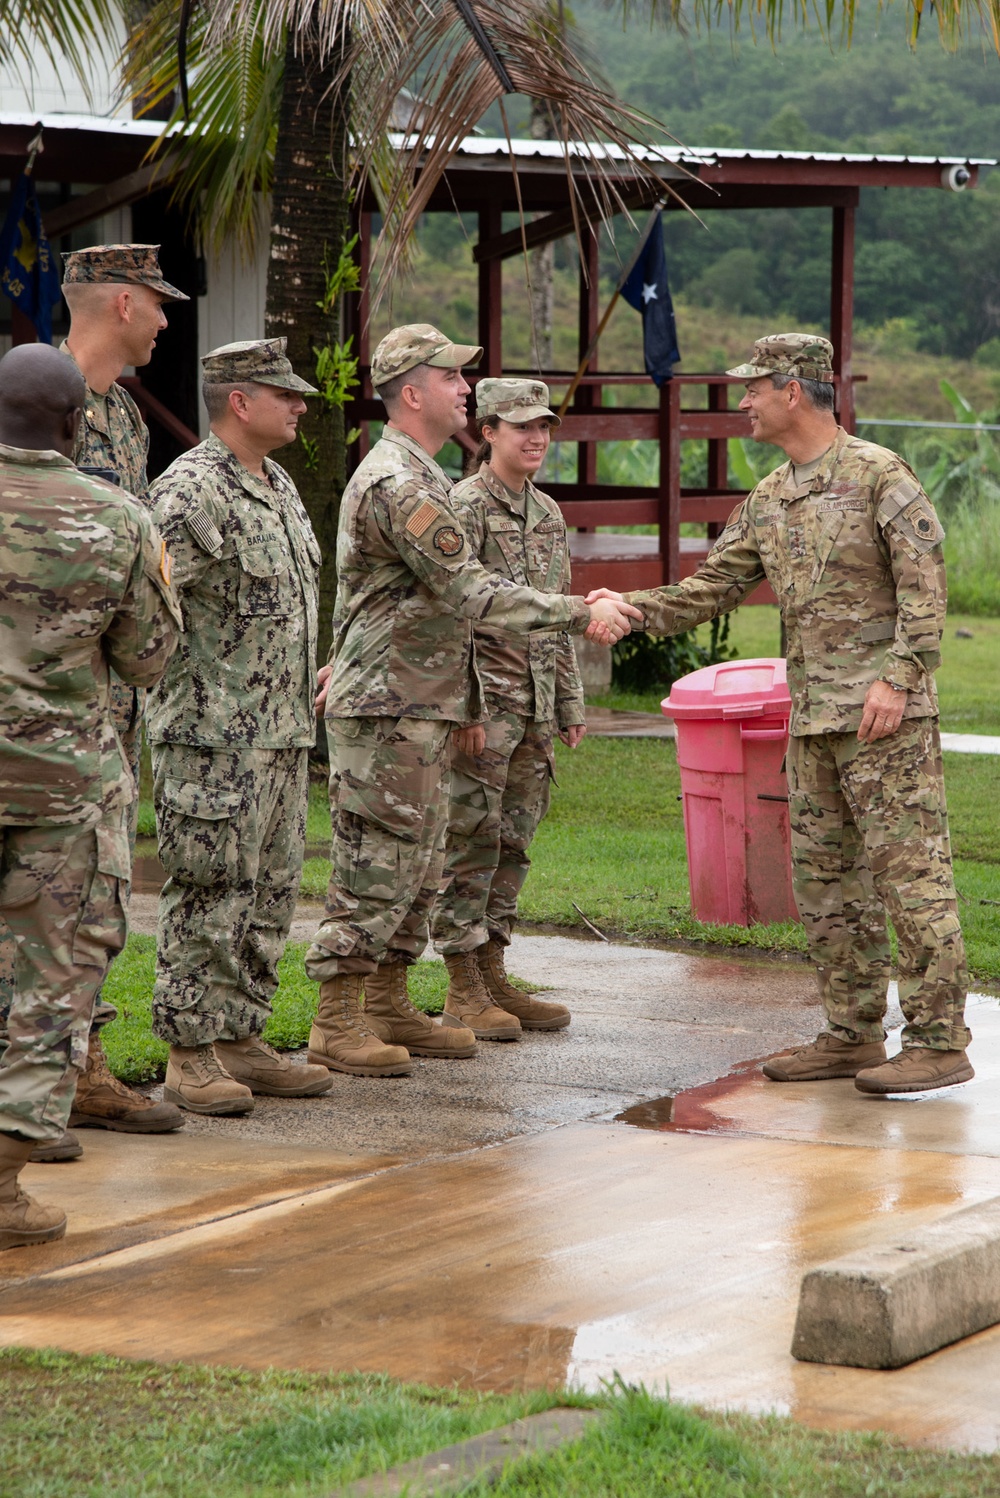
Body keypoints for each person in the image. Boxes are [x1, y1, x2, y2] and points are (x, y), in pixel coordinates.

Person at [590, 333, 971, 1095]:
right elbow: (713, 587)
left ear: (792, 389)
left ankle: (938, 1039)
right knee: (829, 884)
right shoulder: (771, 498)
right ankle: (852, 1033)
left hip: (882, 721)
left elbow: (926, 592)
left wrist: (897, 680)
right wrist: (632, 610)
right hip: (813, 723)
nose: (743, 404)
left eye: (753, 389)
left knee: (911, 878)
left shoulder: (877, 477)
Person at [305, 323, 640, 1077]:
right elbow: (470, 590)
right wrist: (578, 609)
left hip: (417, 699)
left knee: (419, 862)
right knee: (374, 865)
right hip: (392, 703)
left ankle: (389, 1003)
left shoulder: (419, 476)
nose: (465, 387)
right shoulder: (401, 483)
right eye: (453, 378)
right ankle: (336, 1020)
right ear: (413, 391)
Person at [0, 243, 190, 1158]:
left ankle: (81, 1066)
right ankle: (60, 1075)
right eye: (157, 303)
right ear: (122, 302)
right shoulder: (48, 399)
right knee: (59, 917)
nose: (165, 319)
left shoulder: (121, 415)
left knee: (83, 911)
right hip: (57, 725)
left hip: (96, 715)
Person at [147, 338, 333, 1115]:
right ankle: (189, 1054)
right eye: (283, 393)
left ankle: (241, 1035)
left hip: (281, 734)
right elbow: (148, 606)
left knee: (269, 893)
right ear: (239, 401)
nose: (299, 406)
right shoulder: (190, 493)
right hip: (210, 739)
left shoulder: (278, 483)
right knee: (208, 893)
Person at [431, 379, 584, 1035]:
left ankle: (493, 972)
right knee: (470, 840)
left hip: (536, 710)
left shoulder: (547, 513)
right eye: (521, 426)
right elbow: (446, 617)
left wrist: (570, 703)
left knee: (513, 842)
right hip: (483, 711)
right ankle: (463, 984)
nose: (536, 438)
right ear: (487, 430)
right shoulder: (459, 509)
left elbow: (560, 613)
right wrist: (460, 705)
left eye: (544, 426)